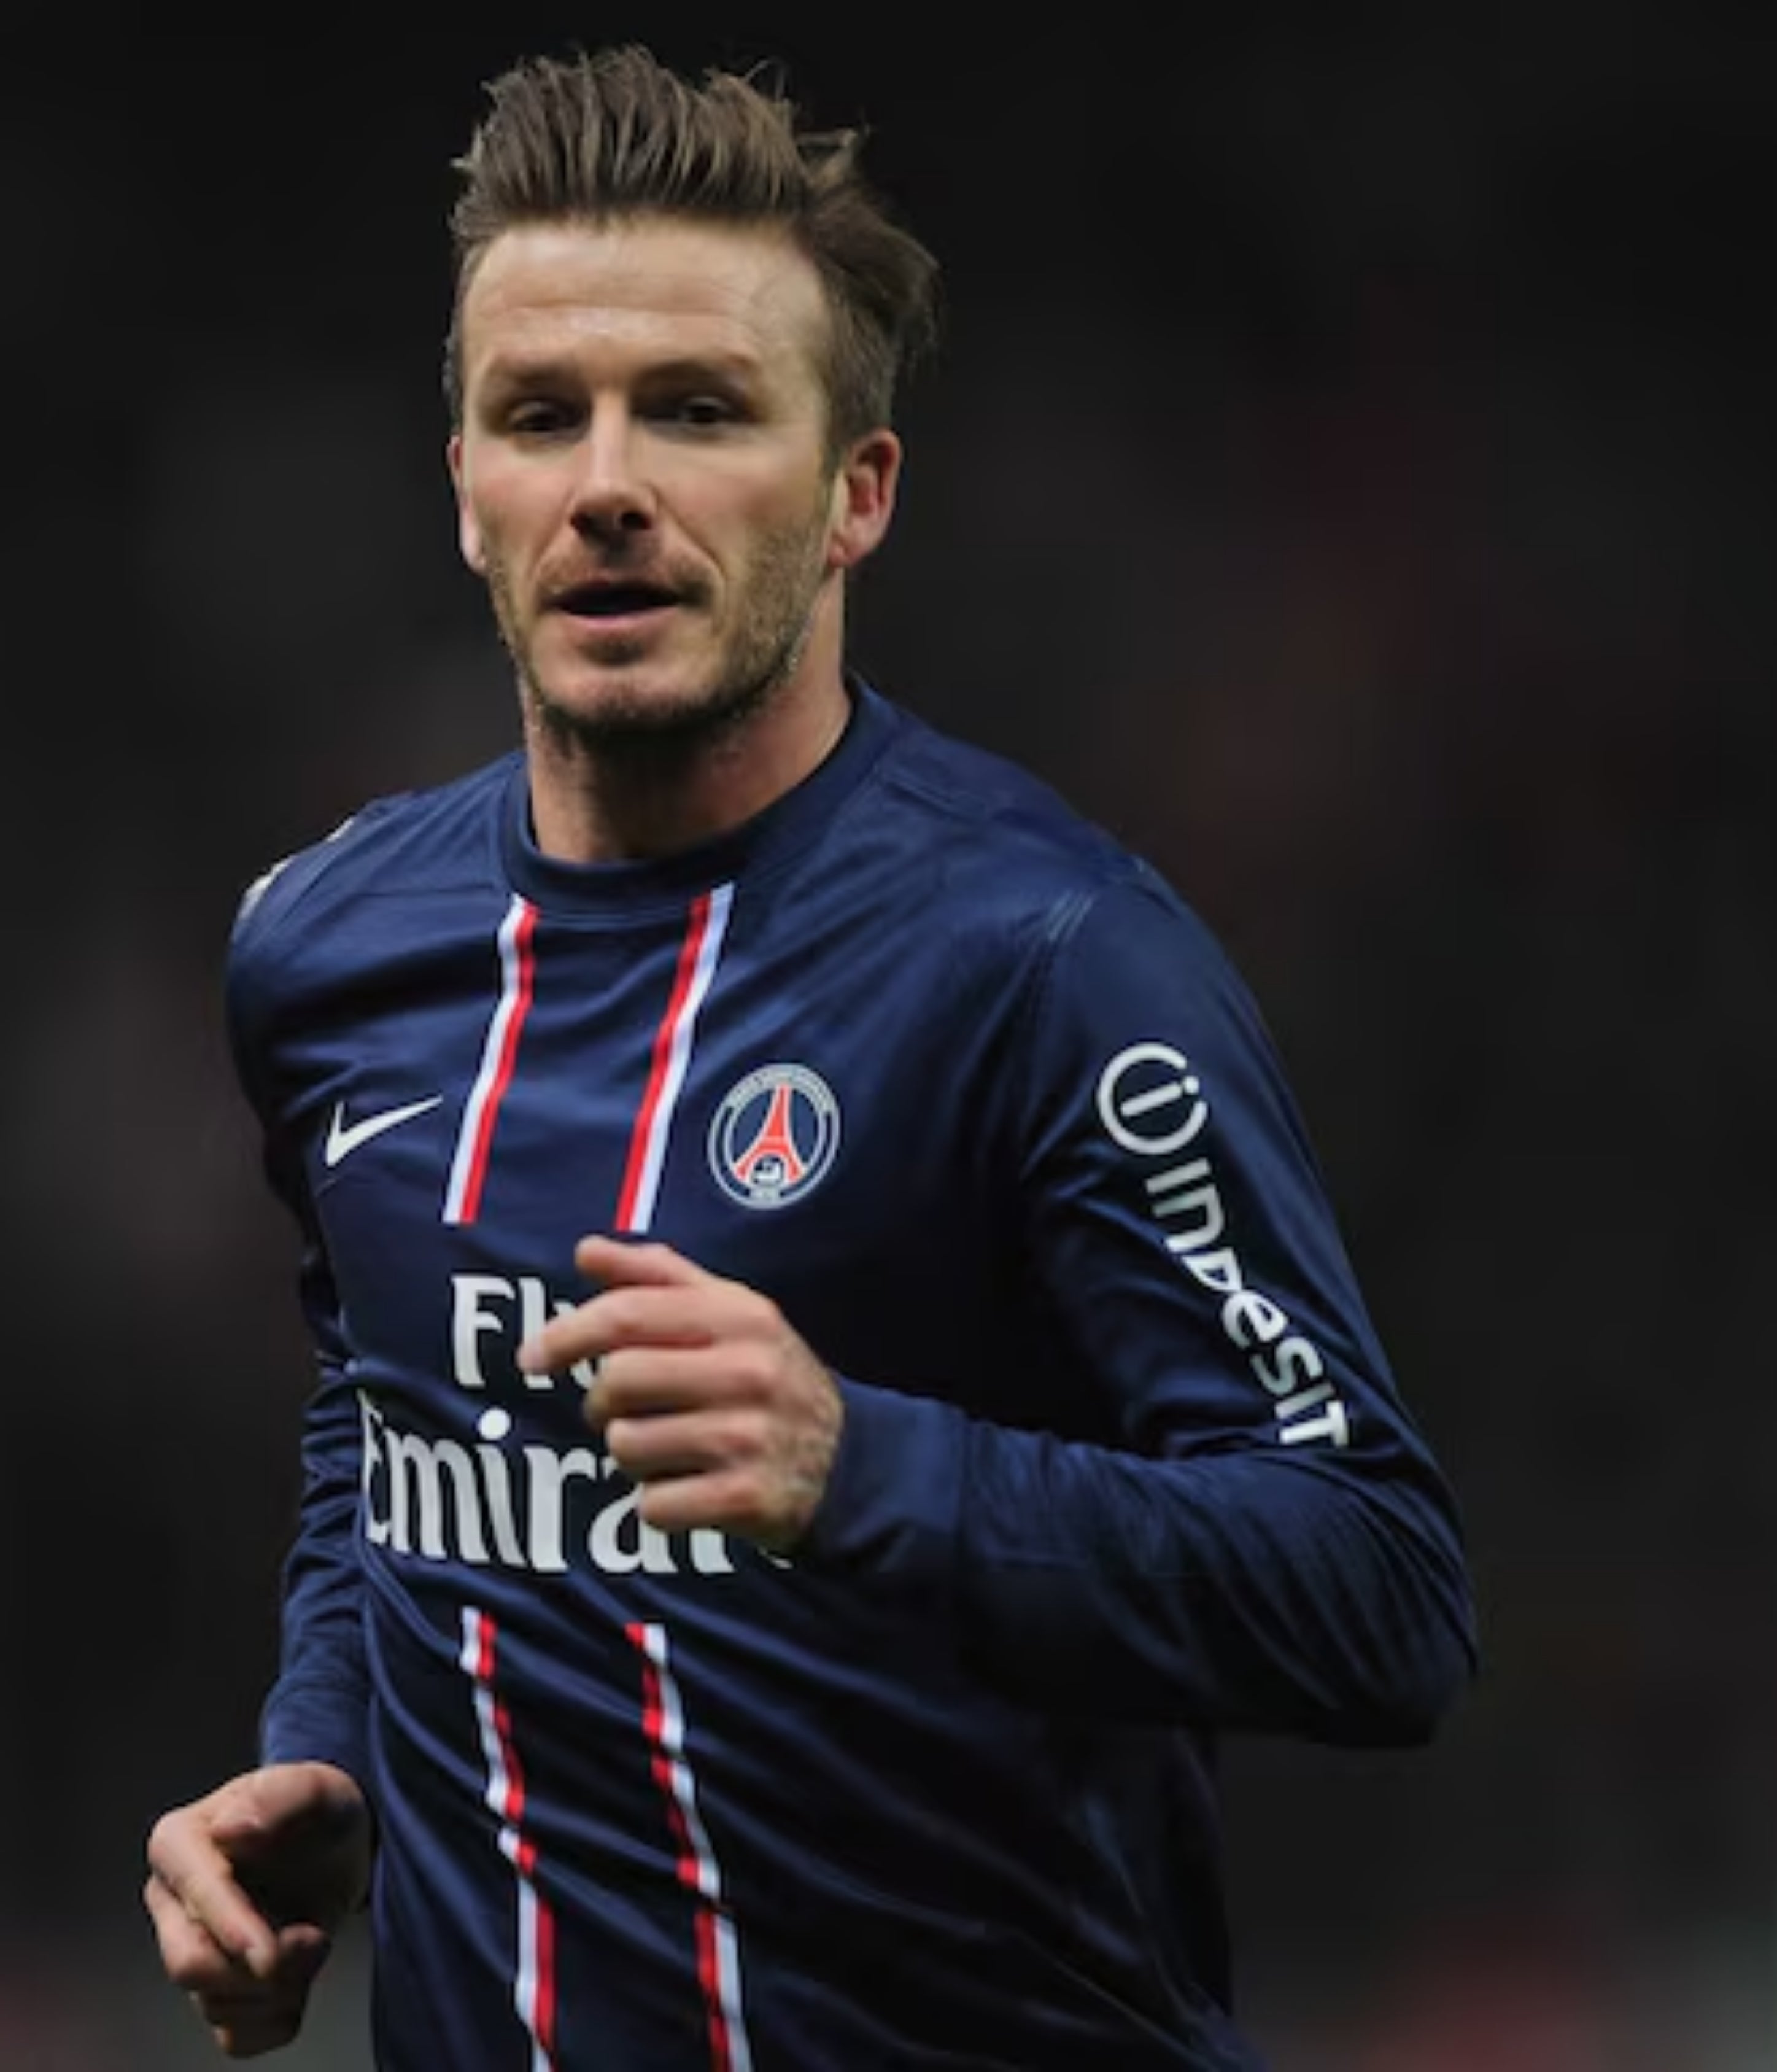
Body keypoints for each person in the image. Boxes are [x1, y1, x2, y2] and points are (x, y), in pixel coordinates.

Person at [144, 44, 1476, 2070]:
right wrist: (329, 1746)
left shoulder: (1050, 963)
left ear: (858, 494)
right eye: (542, 415)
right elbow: (383, 1406)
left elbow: (1379, 1592)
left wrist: (872, 1468)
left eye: (698, 410)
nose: (609, 483)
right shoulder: (323, 952)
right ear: (468, 492)